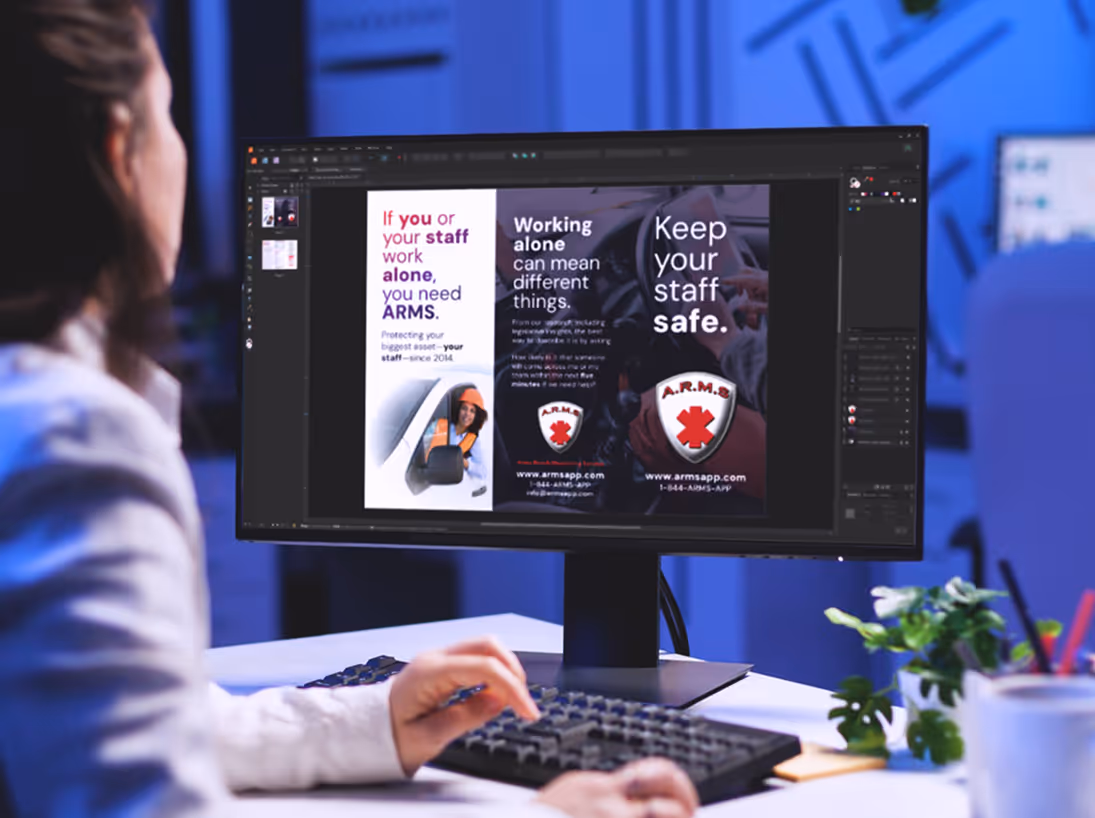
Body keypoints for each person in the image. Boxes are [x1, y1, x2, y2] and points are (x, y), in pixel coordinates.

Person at [0, 3, 699, 817]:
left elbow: (104, 723)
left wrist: (372, 720)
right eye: (171, 115)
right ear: (123, 148)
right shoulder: (75, 440)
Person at [425, 387, 489, 484]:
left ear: (476, 416)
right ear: (458, 409)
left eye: (472, 411)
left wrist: (466, 464)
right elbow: (421, 449)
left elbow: (483, 472)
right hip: (426, 478)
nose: (467, 414)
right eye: (464, 408)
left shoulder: (473, 440)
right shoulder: (438, 425)